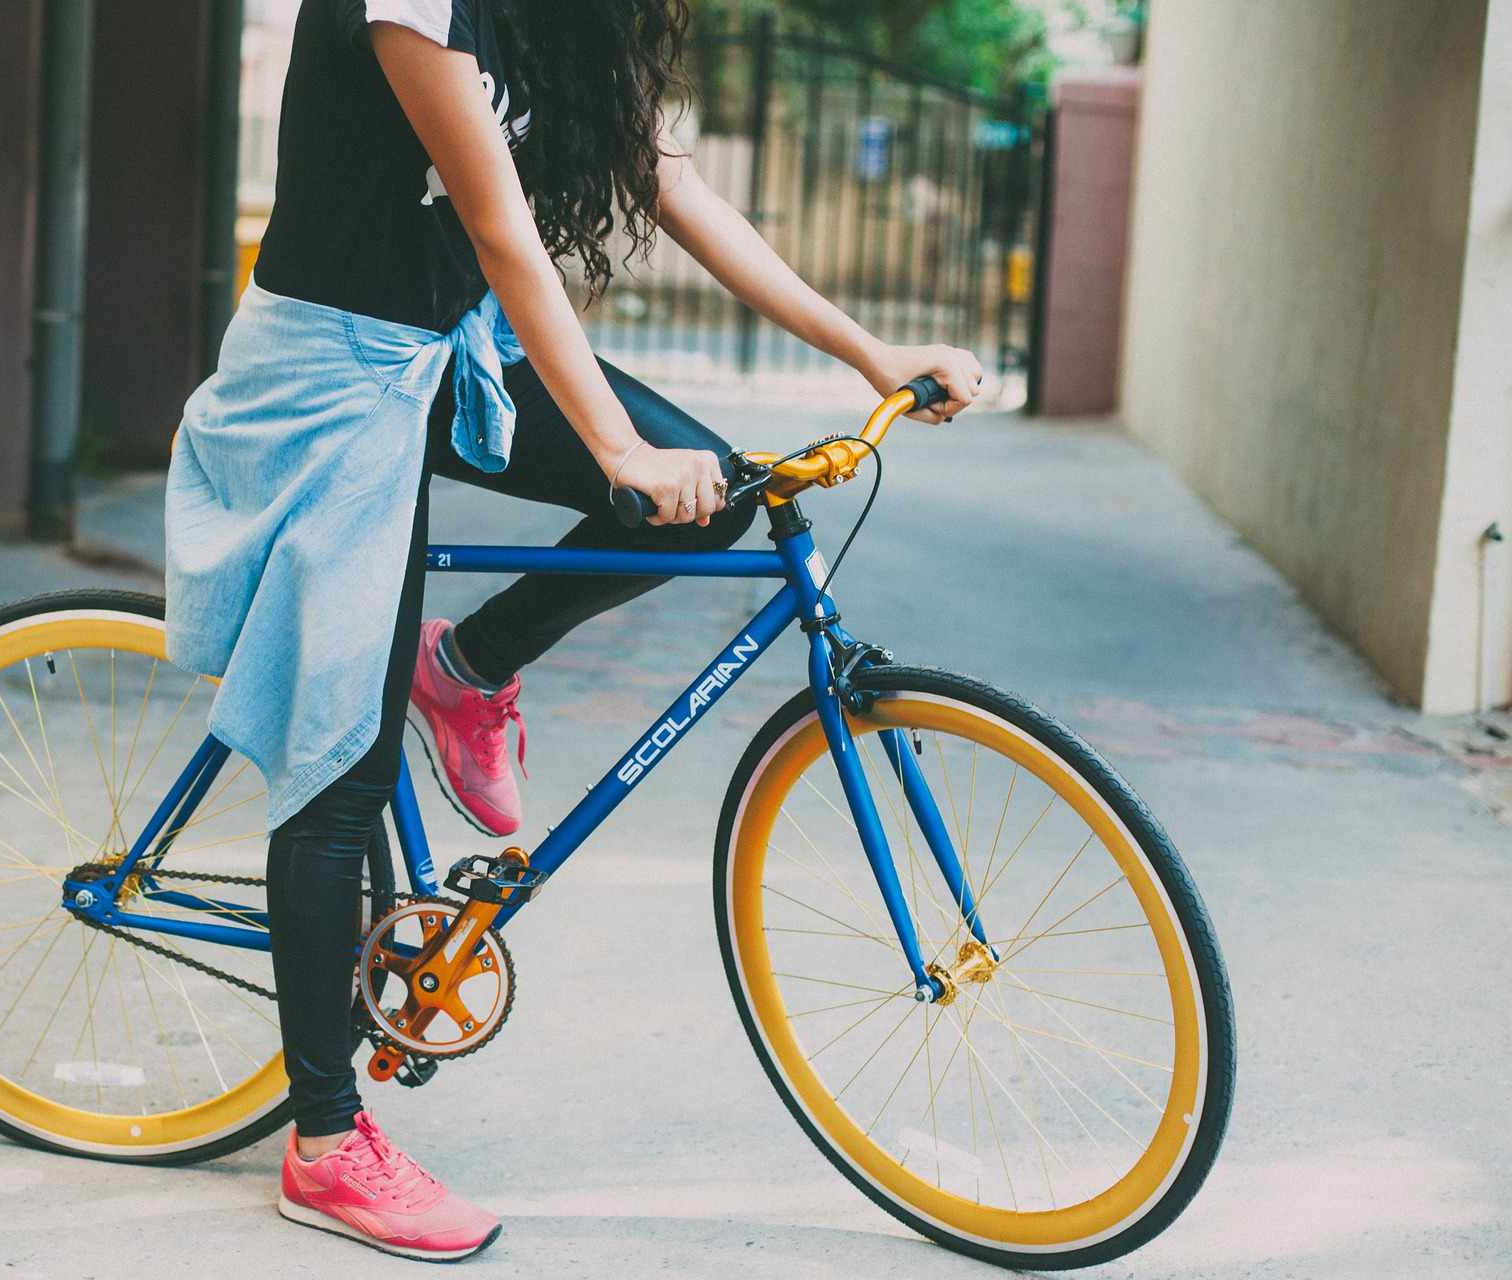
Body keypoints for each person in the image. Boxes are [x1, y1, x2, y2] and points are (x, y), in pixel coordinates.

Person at [163, 0, 984, 1262]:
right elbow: (499, 229)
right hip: (329, 378)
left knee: (711, 496)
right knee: (338, 767)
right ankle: (325, 1144)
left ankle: (469, 665)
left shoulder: (566, 19)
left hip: (446, 354)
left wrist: (867, 352)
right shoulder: (412, 5)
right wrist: (614, 447)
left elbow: (676, 189)